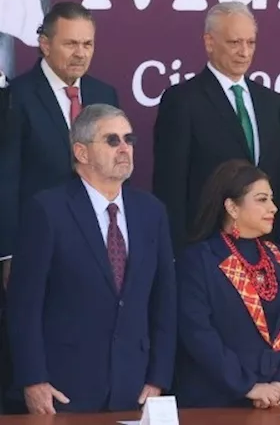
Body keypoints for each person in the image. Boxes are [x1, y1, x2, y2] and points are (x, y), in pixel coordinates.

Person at [6, 104, 176, 413]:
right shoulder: (47, 210)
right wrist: (33, 380)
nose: (125, 148)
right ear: (81, 152)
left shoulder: (152, 212)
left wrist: (159, 378)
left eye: (129, 139)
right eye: (112, 140)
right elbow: (24, 306)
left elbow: (164, 301)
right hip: (65, 390)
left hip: (135, 390)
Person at [153, 1, 280, 251]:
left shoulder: (270, 102)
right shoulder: (183, 101)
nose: (244, 52)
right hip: (206, 252)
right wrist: (176, 256)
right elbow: (170, 188)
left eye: (250, 43)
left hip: (264, 253)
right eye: (234, 42)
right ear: (209, 42)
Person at [174, 160, 280, 408]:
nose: (273, 208)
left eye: (271, 199)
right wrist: (248, 386)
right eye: (262, 200)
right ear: (232, 207)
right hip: (218, 402)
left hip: (279, 400)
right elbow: (198, 334)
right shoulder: (199, 260)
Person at [0, 2, 119, 265]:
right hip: (36, 244)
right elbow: (6, 179)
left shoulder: (105, 95)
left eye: (87, 44)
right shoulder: (15, 96)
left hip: (99, 244)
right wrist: (7, 253)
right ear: (45, 44)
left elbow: (115, 167)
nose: (80, 53)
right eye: (71, 44)